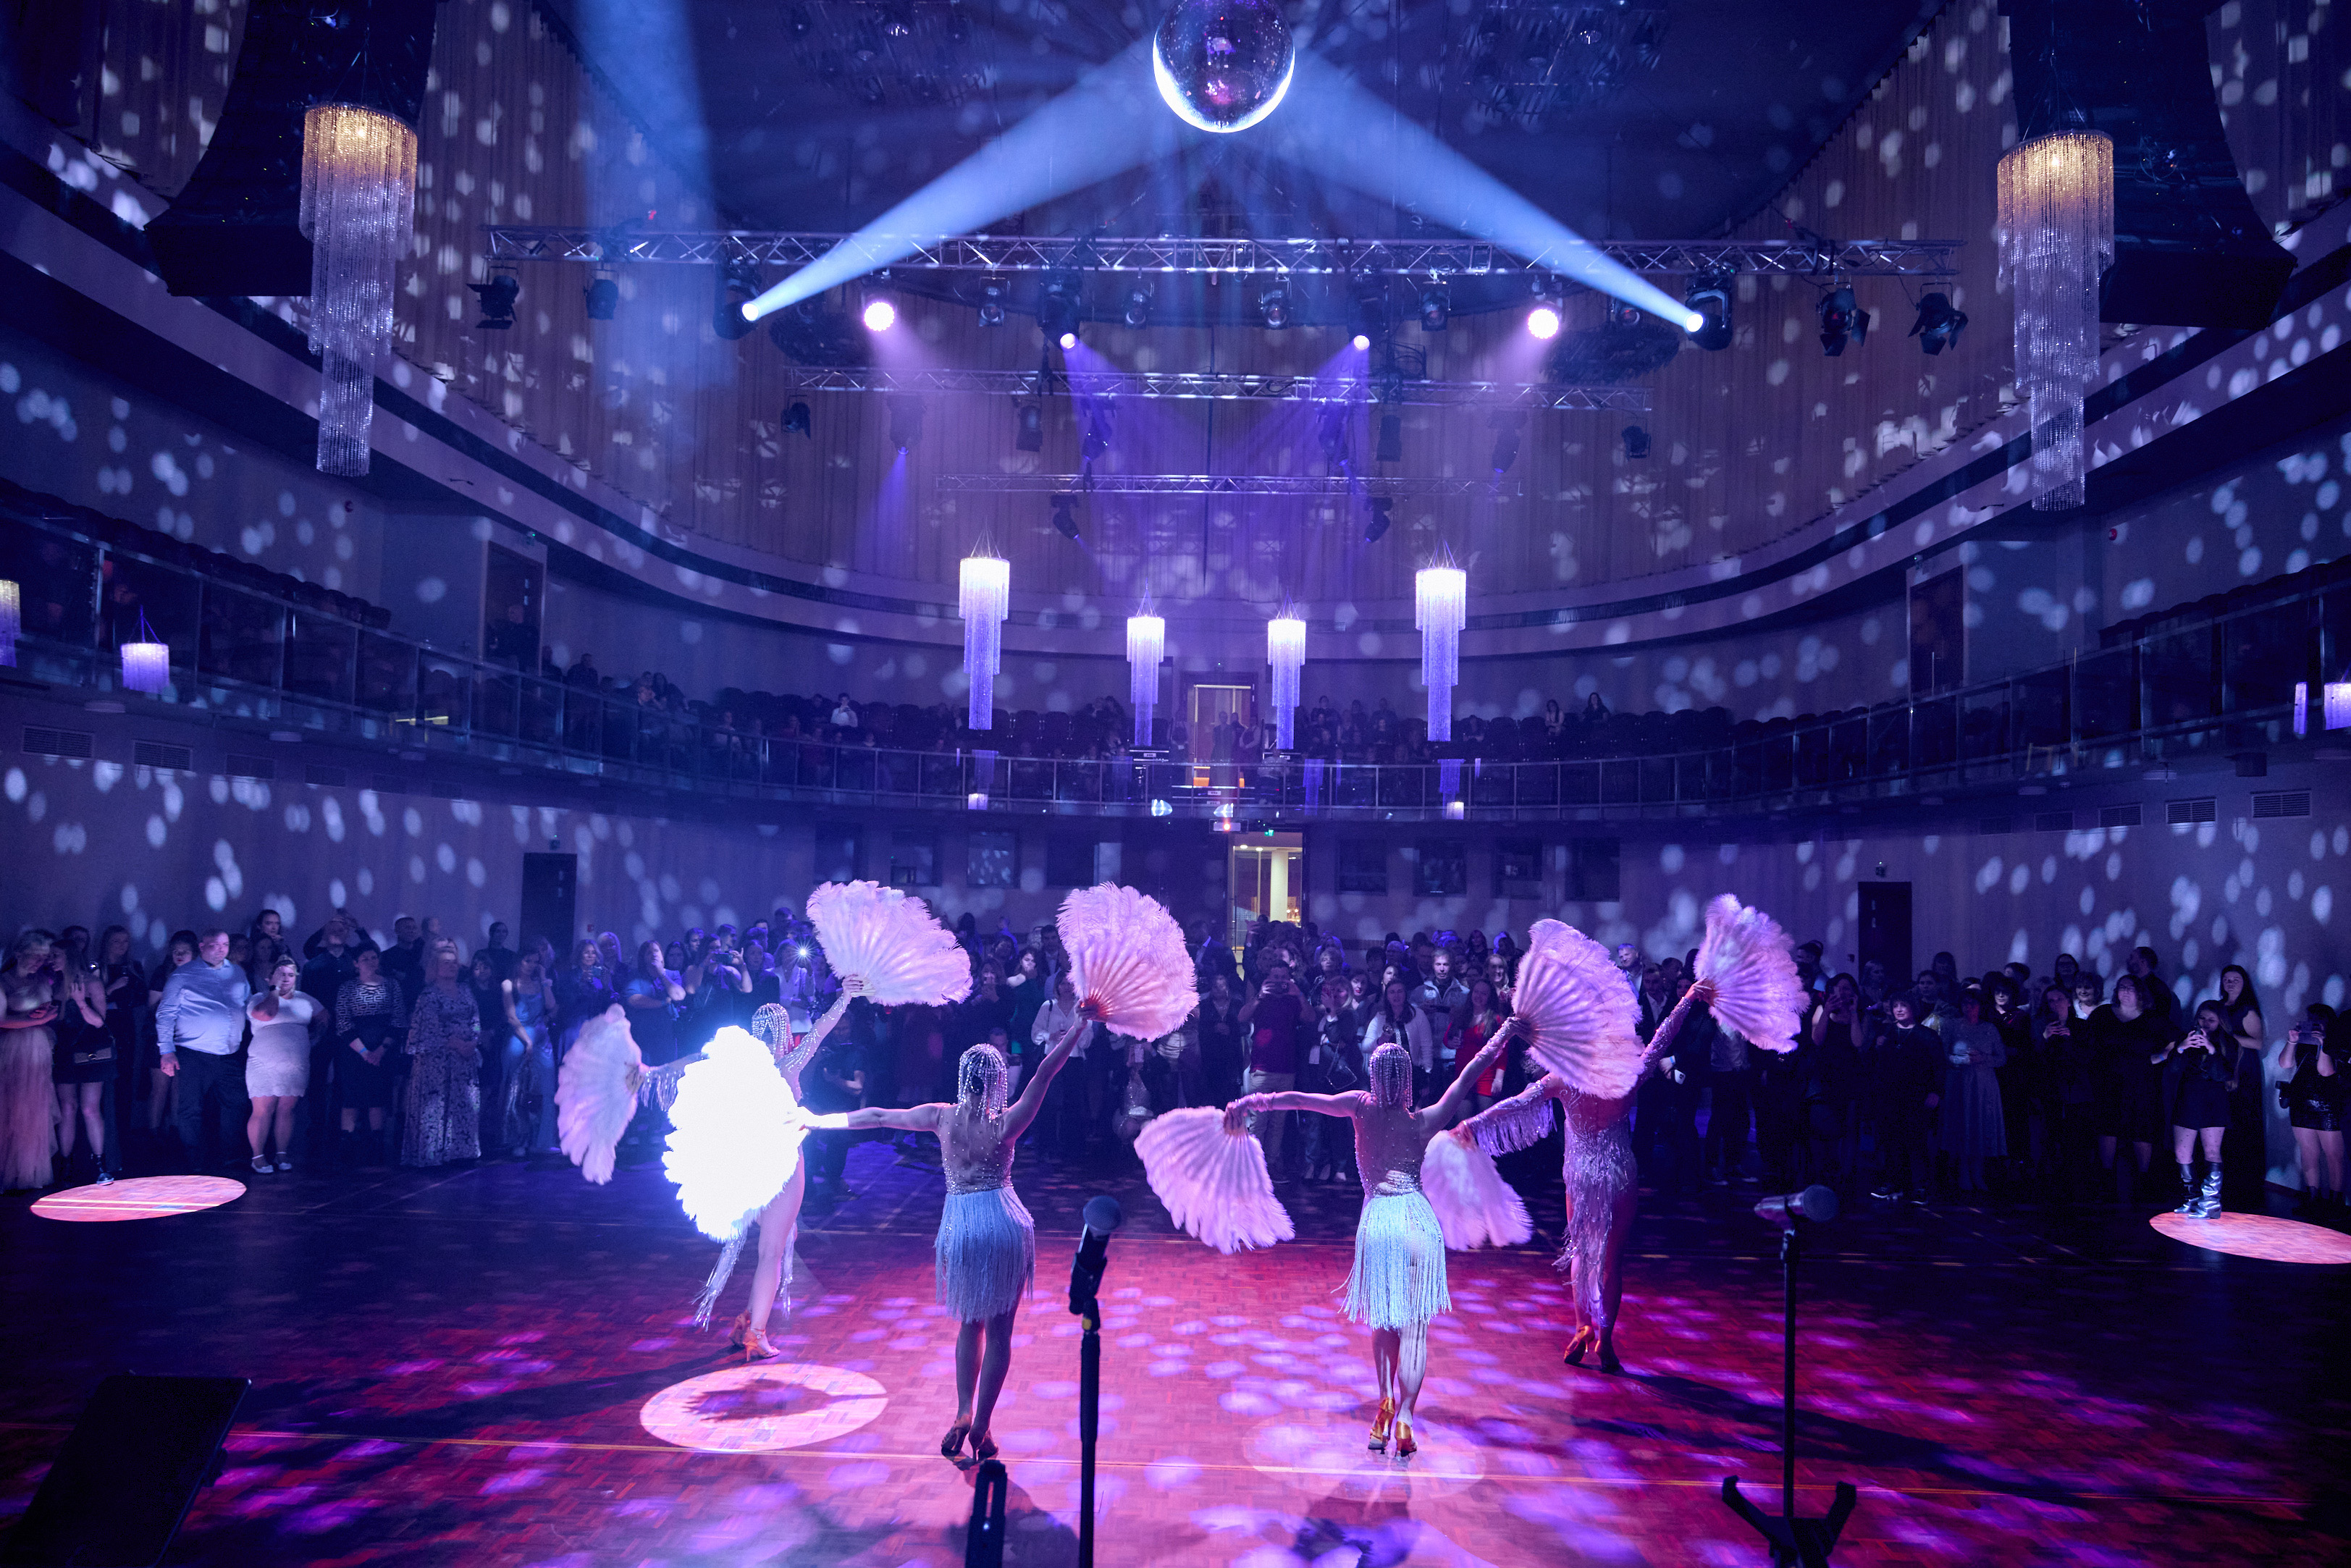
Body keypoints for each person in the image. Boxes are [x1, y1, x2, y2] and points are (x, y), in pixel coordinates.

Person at [792, 1014, 1092, 1467]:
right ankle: (982, 1425)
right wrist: (1079, 1027)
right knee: (1001, 1333)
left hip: (961, 1227)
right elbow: (1046, 1071)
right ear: (996, 1082)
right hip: (1003, 1225)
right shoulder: (1006, 1124)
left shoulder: (940, 1117)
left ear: (963, 1078)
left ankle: (963, 1410)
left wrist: (818, 1121)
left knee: (970, 1323)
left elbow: (877, 1116)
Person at [1229, 1026, 1514, 1456]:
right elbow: (1469, 1075)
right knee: (1415, 1329)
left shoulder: (1358, 1107)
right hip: (1417, 1222)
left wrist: (1252, 1101)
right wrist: (1505, 1033)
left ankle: (1384, 1405)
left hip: (1379, 1222)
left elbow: (1301, 1099)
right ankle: (1406, 1420)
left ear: (1374, 1075)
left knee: (1384, 1323)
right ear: (1408, 1079)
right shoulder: (1425, 1121)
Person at [732, 986, 864, 1360]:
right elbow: (820, 1030)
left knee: (774, 1244)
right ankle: (756, 1333)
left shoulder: (742, 1073)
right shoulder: (787, 1065)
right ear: (782, 1033)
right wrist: (845, 997)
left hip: (753, 1167)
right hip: (783, 1166)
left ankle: (747, 1320)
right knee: (772, 1251)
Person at [156, 930, 253, 1172]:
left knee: (235, 1104)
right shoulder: (184, 974)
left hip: (229, 1052)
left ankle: (231, 1156)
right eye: (215, 945)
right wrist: (167, 1050)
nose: (221, 950)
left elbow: (247, 1005)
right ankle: (194, 1160)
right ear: (201, 946)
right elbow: (166, 1013)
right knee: (191, 1107)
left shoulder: (237, 972)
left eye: (225, 945)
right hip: (194, 1052)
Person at [402, 943, 483, 1168]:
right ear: (435, 967)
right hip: (436, 1062)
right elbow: (429, 1028)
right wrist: (456, 1044)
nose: (452, 966)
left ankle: (461, 1152)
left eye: (454, 963)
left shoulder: (466, 990)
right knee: (436, 1107)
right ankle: (433, 1154)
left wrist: (472, 1042)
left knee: (464, 1105)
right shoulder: (428, 995)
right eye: (446, 963)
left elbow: (475, 1018)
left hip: (464, 1060)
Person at [2159, 1000, 2237, 1217]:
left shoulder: (2227, 1042)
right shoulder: (2185, 1039)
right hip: (2188, 1099)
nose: (2205, 1023)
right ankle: (2191, 1198)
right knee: (2182, 1152)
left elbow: (2223, 1074)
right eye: (2202, 1018)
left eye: (2211, 1020)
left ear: (2220, 1022)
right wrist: (2182, 1048)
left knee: (2212, 1150)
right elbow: (2173, 1069)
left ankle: (2211, 1202)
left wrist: (2212, 1050)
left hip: (2214, 1101)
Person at [243, 957, 316, 1174]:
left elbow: (324, 1017)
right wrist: (274, 990)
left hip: (295, 1063)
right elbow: (266, 1014)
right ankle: (258, 1157)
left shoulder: (305, 1000)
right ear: (270, 977)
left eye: (290, 975)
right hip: (263, 1063)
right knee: (263, 1109)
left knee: (287, 1109)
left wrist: (314, 1038)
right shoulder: (258, 998)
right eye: (281, 974)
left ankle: (281, 1154)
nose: (286, 978)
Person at [1867, 993, 1943, 1203]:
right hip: (1889, 1096)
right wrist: (1877, 1046)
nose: (1899, 1009)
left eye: (1904, 1005)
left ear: (1913, 1007)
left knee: (1916, 1141)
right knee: (1890, 1140)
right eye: (1896, 1006)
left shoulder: (1927, 1035)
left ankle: (1920, 1186)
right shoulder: (1887, 1032)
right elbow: (1875, 1064)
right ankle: (1891, 1182)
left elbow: (1938, 1065)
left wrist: (1936, 1091)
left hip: (1917, 1096)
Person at [2, 932, 63, 1189]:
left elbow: (50, 1007)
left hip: (39, 1049)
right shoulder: (4, 981)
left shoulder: (41, 979)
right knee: (13, 1107)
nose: (39, 963)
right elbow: (2, 1020)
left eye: (43, 958)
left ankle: (30, 1170)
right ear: (19, 955)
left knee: (36, 1107)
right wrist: (36, 1019)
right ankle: (10, 1170)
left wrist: (45, 1014)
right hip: (14, 1050)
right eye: (35, 957)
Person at [333, 945, 405, 1164]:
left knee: (378, 1097)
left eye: (374, 957)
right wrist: (365, 1052)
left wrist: (381, 1050)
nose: (371, 962)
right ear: (356, 963)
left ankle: (377, 1144)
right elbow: (343, 1023)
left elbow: (398, 1020)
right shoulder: (347, 987)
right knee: (351, 1098)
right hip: (354, 1051)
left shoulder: (392, 985)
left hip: (384, 1049)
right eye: (365, 958)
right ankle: (347, 1144)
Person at [50, 961, 117, 1184]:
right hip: (64, 1050)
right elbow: (56, 1021)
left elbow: (99, 1022)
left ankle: (100, 1164)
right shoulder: (54, 983)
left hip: (90, 1052)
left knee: (90, 1109)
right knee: (68, 1108)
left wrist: (80, 1002)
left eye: (56, 955)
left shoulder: (91, 983)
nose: (51, 959)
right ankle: (65, 1165)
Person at [1239, 961, 1306, 1173]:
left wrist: (1298, 994)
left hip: (1287, 1068)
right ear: (1268, 978)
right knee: (1258, 1120)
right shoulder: (1261, 999)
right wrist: (1259, 996)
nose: (1278, 981)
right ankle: (1253, 1166)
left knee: (1279, 1122)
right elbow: (1241, 1017)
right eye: (1275, 977)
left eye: (1282, 977)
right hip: (1262, 1068)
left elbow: (1310, 1018)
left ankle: (1271, 1163)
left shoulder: (1293, 1000)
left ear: (1289, 978)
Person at [1942, 990, 2008, 1195]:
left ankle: (1978, 1172)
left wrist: (1983, 1059)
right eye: (1965, 1003)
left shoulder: (1989, 1028)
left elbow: (2002, 1058)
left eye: (1973, 1003)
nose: (1969, 1007)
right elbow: (1942, 1055)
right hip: (1960, 1083)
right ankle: (1963, 1171)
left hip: (1984, 1085)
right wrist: (1960, 1060)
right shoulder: (1951, 1025)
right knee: (1963, 1124)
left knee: (1981, 1124)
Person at [2278, 1006, 2341, 1215]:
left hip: (2328, 1102)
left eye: (2319, 1020)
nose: (2314, 1023)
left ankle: (2336, 1203)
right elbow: (2285, 1063)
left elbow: (2326, 1071)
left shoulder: (2335, 1042)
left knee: (2334, 1154)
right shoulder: (2303, 1040)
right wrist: (2292, 1040)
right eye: (2311, 1019)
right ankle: (2312, 1198)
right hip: (2301, 1100)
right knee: (2308, 1152)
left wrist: (2323, 1043)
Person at [497, 949, 558, 1159]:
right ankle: (517, 1139)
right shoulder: (509, 984)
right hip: (518, 1036)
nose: (531, 965)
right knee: (516, 1089)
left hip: (541, 1037)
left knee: (547, 1088)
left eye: (535, 962)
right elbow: (511, 1017)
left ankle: (543, 1141)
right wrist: (527, 1040)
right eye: (528, 961)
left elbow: (551, 1006)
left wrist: (544, 980)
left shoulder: (541, 983)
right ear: (519, 961)